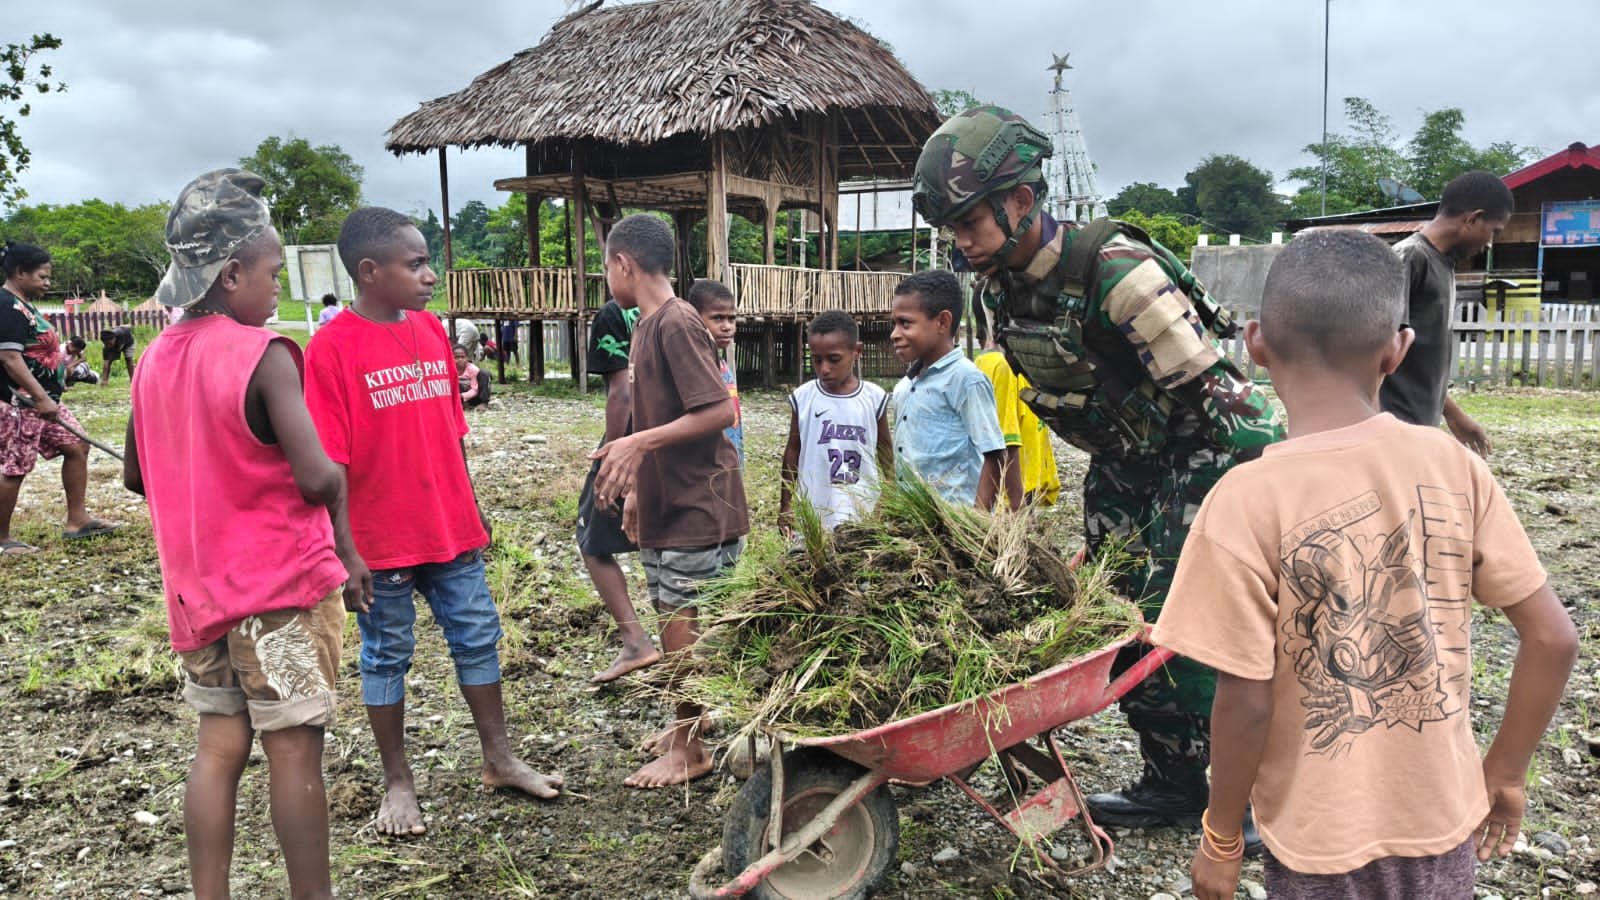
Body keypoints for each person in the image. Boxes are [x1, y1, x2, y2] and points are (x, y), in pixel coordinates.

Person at [1153, 229, 1578, 900]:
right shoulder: (1455, 466)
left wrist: (1221, 835)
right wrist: (1504, 772)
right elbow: (1554, 637)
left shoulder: (1242, 500)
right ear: (1398, 349)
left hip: (1318, 842)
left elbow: (1245, 701)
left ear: (1257, 344)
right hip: (1442, 822)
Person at [912, 107, 1284, 836]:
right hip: (1127, 459)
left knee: (1174, 621)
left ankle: (1246, 788)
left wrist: (1210, 526)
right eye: (950, 226)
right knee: (1112, 624)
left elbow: (1228, 411)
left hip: (1203, 451)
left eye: (969, 222)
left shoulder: (1118, 271)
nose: (960, 240)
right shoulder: (1001, 290)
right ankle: (1175, 782)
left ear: (1021, 201)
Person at [123, 167, 358, 900]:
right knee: (293, 752)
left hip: (197, 601)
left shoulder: (152, 359)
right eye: (271, 270)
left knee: (218, 746)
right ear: (232, 275)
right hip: (278, 596)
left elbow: (135, 476)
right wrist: (346, 523)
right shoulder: (267, 354)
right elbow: (318, 478)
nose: (275, 285)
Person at [305, 206, 562, 837]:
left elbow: (452, 432)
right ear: (370, 272)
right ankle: (398, 783)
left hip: (449, 529)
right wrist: (346, 552)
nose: (429, 275)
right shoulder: (330, 349)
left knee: (478, 636)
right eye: (415, 264)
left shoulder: (428, 332)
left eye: (427, 261)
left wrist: (470, 509)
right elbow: (330, 463)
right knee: (387, 655)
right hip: (380, 542)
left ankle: (499, 759)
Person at [589, 214, 747, 789]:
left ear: (624, 263)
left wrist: (635, 443)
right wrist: (636, 488)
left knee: (682, 626)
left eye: (606, 264)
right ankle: (691, 724)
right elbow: (658, 410)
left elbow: (718, 412)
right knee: (676, 618)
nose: (607, 274)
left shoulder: (678, 322)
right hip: (666, 502)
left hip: (700, 506)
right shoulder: (645, 325)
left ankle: (690, 747)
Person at [1380, 170, 1510, 458]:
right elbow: (1380, 350)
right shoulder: (1409, 258)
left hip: (1419, 424)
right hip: (1393, 428)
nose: (1490, 243)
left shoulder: (1443, 264)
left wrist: (1452, 414)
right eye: (1495, 231)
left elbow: (1420, 359)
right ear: (1473, 218)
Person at [1, 241, 119, 555]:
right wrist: (40, 398)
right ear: (20, 272)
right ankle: (2, 540)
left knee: (78, 445)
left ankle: (77, 521)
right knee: (16, 467)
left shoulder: (24, 305)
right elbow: (10, 359)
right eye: (42, 276)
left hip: (45, 399)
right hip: (22, 402)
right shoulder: (6, 306)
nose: (48, 283)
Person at [577, 296, 658, 685]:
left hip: (634, 441)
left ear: (622, 264)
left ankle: (635, 640)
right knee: (669, 550)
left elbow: (621, 392)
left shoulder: (615, 315)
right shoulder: (677, 312)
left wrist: (612, 457)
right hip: (676, 439)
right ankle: (690, 662)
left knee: (592, 540)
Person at [887, 270, 1008, 510]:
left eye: (905, 324)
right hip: (912, 523)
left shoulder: (966, 380)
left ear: (942, 322)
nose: (894, 334)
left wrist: (974, 526)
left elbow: (995, 455)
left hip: (953, 522)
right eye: (894, 324)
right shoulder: (904, 387)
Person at [778, 310, 892, 532]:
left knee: (858, 558)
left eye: (834, 359)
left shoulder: (873, 398)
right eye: (816, 360)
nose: (824, 369)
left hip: (862, 508)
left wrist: (891, 491)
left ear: (856, 351)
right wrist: (786, 504)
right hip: (814, 507)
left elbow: (885, 450)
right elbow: (793, 450)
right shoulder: (803, 398)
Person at [684, 278, 742, 463]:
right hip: (704, 466)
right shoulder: (692, 366)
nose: (727, 326)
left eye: (731, 319)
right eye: (718, 318)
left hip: (728, 461)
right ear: (695, 318)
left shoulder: (722, 365)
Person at [453, 344, 490, 409]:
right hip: (457, 398)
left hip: (474, 397)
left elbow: (475, 390)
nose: (460, 359)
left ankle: (484, 403)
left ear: (467, 358)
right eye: (456, 357)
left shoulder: (473, 369)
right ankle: (461, 404)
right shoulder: (449, 370)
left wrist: (462, 396)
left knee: (484, 373)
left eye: (462, 357)